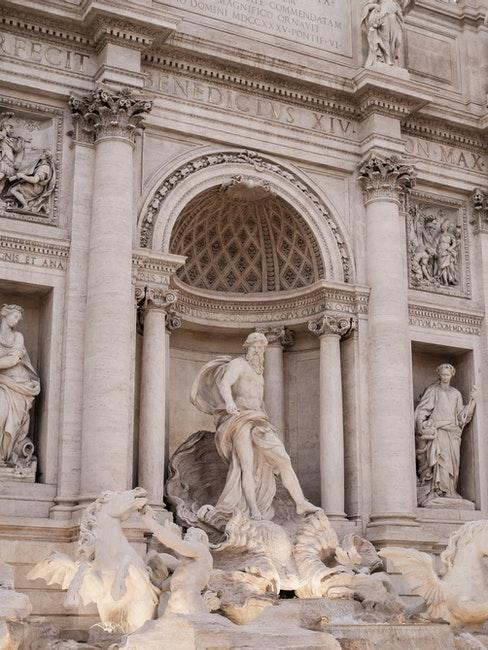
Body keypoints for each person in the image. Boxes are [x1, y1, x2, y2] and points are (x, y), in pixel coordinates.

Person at [191, 331, 319, 521]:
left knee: (283, 459)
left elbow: (259, 400)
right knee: (246, 467)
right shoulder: (238, 364)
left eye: (262, 347)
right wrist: (229, 403)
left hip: (259, 420)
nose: (259, 350)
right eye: (256, 346)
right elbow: (224, 383)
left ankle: (300, 502)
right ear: (248, 346)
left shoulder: (259, 372)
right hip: (240, 418)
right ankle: (253, 510)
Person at [415, 364, 477, 505]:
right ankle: (438, 491)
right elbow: (423, 410)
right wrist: (422, 425)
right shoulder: (433, 390)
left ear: (452, 375)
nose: (445, 377)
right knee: (441, 461)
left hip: (453, 432)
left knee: (453, 463)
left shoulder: (456, 393)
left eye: (447, 375)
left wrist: (473, 402)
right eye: (443, 374)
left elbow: (462, 416)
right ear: (439, 375)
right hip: (439, 431)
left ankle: (451, 491)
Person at [0, 304, 40, 467]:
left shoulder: (18, 336)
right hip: (2, 382)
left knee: (10, 419)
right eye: (15, 316)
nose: (16, 321)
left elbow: (13, 359)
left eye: (19, 318)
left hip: (18, 383)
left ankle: (4, 456)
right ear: (5, 314)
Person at [0, 112, 27, 195]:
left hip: (9, 162)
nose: (12, 130)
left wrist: (20, 141)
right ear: (5, 127)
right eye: (10, 127)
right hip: (3, 160)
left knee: (3, 182)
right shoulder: (1, 136)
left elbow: (17, 150)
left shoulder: (10, 139)